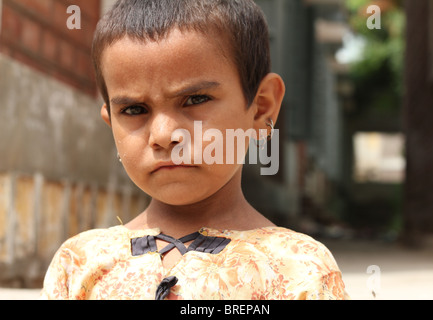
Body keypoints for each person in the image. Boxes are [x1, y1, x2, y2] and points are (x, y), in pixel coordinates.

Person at [41, 0, 348, 300]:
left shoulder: (298, 270)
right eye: (134, 110)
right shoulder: (79, 265)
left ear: (261, 108)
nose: (163, 136)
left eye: (195, 100)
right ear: (111, 124)